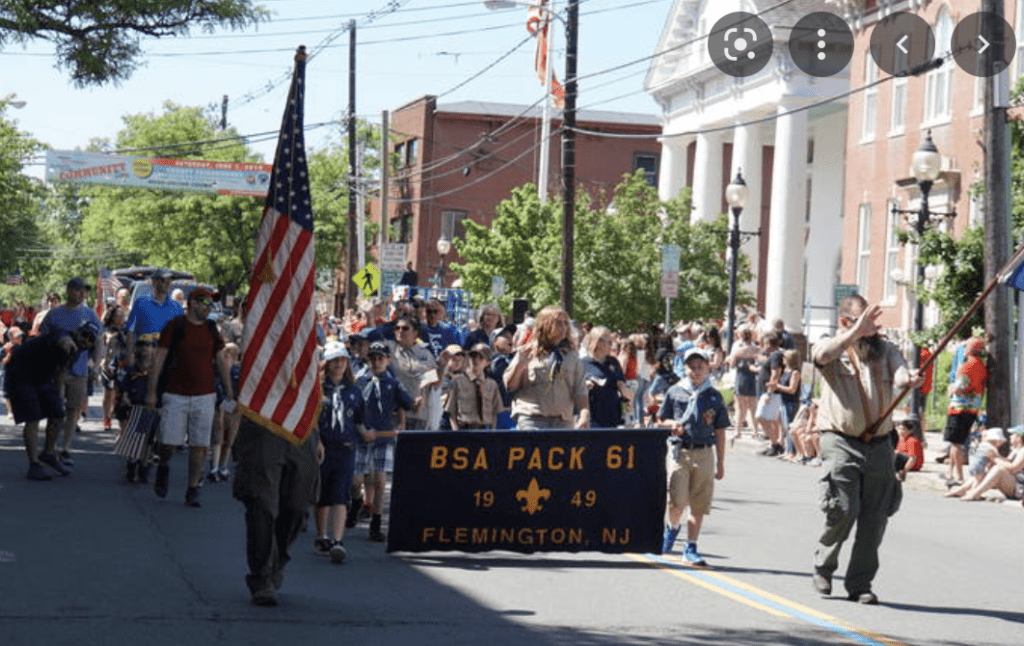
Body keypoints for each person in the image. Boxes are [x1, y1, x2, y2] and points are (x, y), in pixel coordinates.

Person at [811, 295, 921, 605]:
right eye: (865, 322)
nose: (873, 329)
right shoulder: (832, 348)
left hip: (880, 443)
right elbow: (821, 355)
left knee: (875, 518)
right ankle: (824, 563)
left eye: (874, 323)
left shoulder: (886, 350)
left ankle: (860, 583)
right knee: (844, 508)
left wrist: (908, 379)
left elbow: (900, 372)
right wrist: (855, 332)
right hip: (841, 440)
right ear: (846, 321)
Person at [146, 287, 233, 508]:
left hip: (205, 395)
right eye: (205, 302)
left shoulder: (212, 329)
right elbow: (159, 359)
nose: (208, 307)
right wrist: (151, 392)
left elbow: (222, 361)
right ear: (193, 303)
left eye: (210, 303)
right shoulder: (175, 326)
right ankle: (163, 466)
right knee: (168, 442)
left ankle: (193, 488)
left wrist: (230, 392)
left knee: (200, 444)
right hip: (175, 393)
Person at [658, 348, 730, 566]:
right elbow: (661, 418)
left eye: (700, 366)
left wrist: (721, 462)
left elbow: (720, 431)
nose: (696, 371)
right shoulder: (675, 391)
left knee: (699, 504)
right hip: (681, 450)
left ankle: (691, 546)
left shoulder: (714, 396)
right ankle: (672, 527)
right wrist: (672, 425)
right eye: (691, 366)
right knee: (676, 500)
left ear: (708, 368)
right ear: (684, 367)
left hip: (704, 452)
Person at [6, 322, 99, 480]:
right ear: (77, 331)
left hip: (44, 379)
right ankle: (34, 464)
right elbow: (62, 340)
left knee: (58, 414)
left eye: (90, 339)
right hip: (21, 375)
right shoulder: (62, 335)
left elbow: (61, 373)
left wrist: (59, 397)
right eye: (84, 335)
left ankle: (48, 454)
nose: (85, 340)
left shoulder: (76, 352)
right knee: (32, 418)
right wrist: (68, 344)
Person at [38, 277, 105, 466]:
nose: (82, 294)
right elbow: (43, 338)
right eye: (78, 290)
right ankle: (50, 448)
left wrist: (97, 363)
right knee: (56, 409)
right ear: (68, 291)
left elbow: (99, 339)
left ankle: (66, 448)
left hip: (80, 369)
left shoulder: (89, 314)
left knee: (73, 410)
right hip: (58, 370)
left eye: (85, 291)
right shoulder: (54, 314)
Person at [314, 341, 368, 564]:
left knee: (341, 495)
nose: (339, 364)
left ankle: (338, 541)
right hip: (324, 448)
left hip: (346, 449)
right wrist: (317, 441)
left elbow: (359, 421)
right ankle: (322, 536)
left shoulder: (354, 392)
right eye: (334, 360)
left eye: (342, 360)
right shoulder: (318, 389)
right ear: (326, 363)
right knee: (323, 496)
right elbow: (312, 419)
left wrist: (367, 434)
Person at [355, 342, 414, 541]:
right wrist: (360, 429)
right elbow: (352, 408)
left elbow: (404, 404)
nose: (377, 362)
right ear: (368, 360)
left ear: (388, 360)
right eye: (373, 358)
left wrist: (402, 422)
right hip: (361, 434)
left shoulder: (393, 382)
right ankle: (357, 503)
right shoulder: (359, 380)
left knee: (380, 480)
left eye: (381, 358)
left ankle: (376, 523)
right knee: (356, 481)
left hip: (383, 436)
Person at [504, 305, 590, 430]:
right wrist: (520, 364)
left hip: (563, 421)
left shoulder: (571, 355)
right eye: (558, 323)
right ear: (545, 325)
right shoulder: (527, 352)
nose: (564, 328)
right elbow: (510, 385)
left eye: (566, 323)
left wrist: (584, 414)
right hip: (532, 419)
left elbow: (580, 390)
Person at [943, 336, 987, 487]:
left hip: (959, 408)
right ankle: (949, 471)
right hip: (973, 409)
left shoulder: (966, 366)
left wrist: (950, 389)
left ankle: (958, 476)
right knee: (958, 441)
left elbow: (960, 388)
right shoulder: (982, 366)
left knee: (956, 443)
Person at [958, 425, 1024, 501]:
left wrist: (995, 459)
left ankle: (975, 493)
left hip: (1019, 488)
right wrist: (993, 458)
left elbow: (1013, 468)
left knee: (998, 470)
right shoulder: (1016, 450)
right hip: (1013, 484)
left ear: (1019, 438)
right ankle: (962, 490)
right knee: (985, 471)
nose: (1010, 436)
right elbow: (1007, 461)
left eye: (1013, 435)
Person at [444, 344, 502, 430]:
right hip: (464, 428)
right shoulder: (458, 381)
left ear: (487, 362)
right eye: (473, 357)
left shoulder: (492, 384)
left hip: (484, 429)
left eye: (481, 358)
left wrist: (492, 432)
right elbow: (451, 411)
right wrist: (455, 432)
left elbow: (494, 412)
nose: (476, 360)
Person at [582, 326, 628, 429]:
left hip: (613, 414)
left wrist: (622, 385)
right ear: (596, 342)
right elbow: (574, 388)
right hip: (593, 415)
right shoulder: (583, 363)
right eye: (608, 341)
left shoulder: (613, 362)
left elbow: (622, 381)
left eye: (611, 341)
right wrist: (585, 385)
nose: (611, 344)